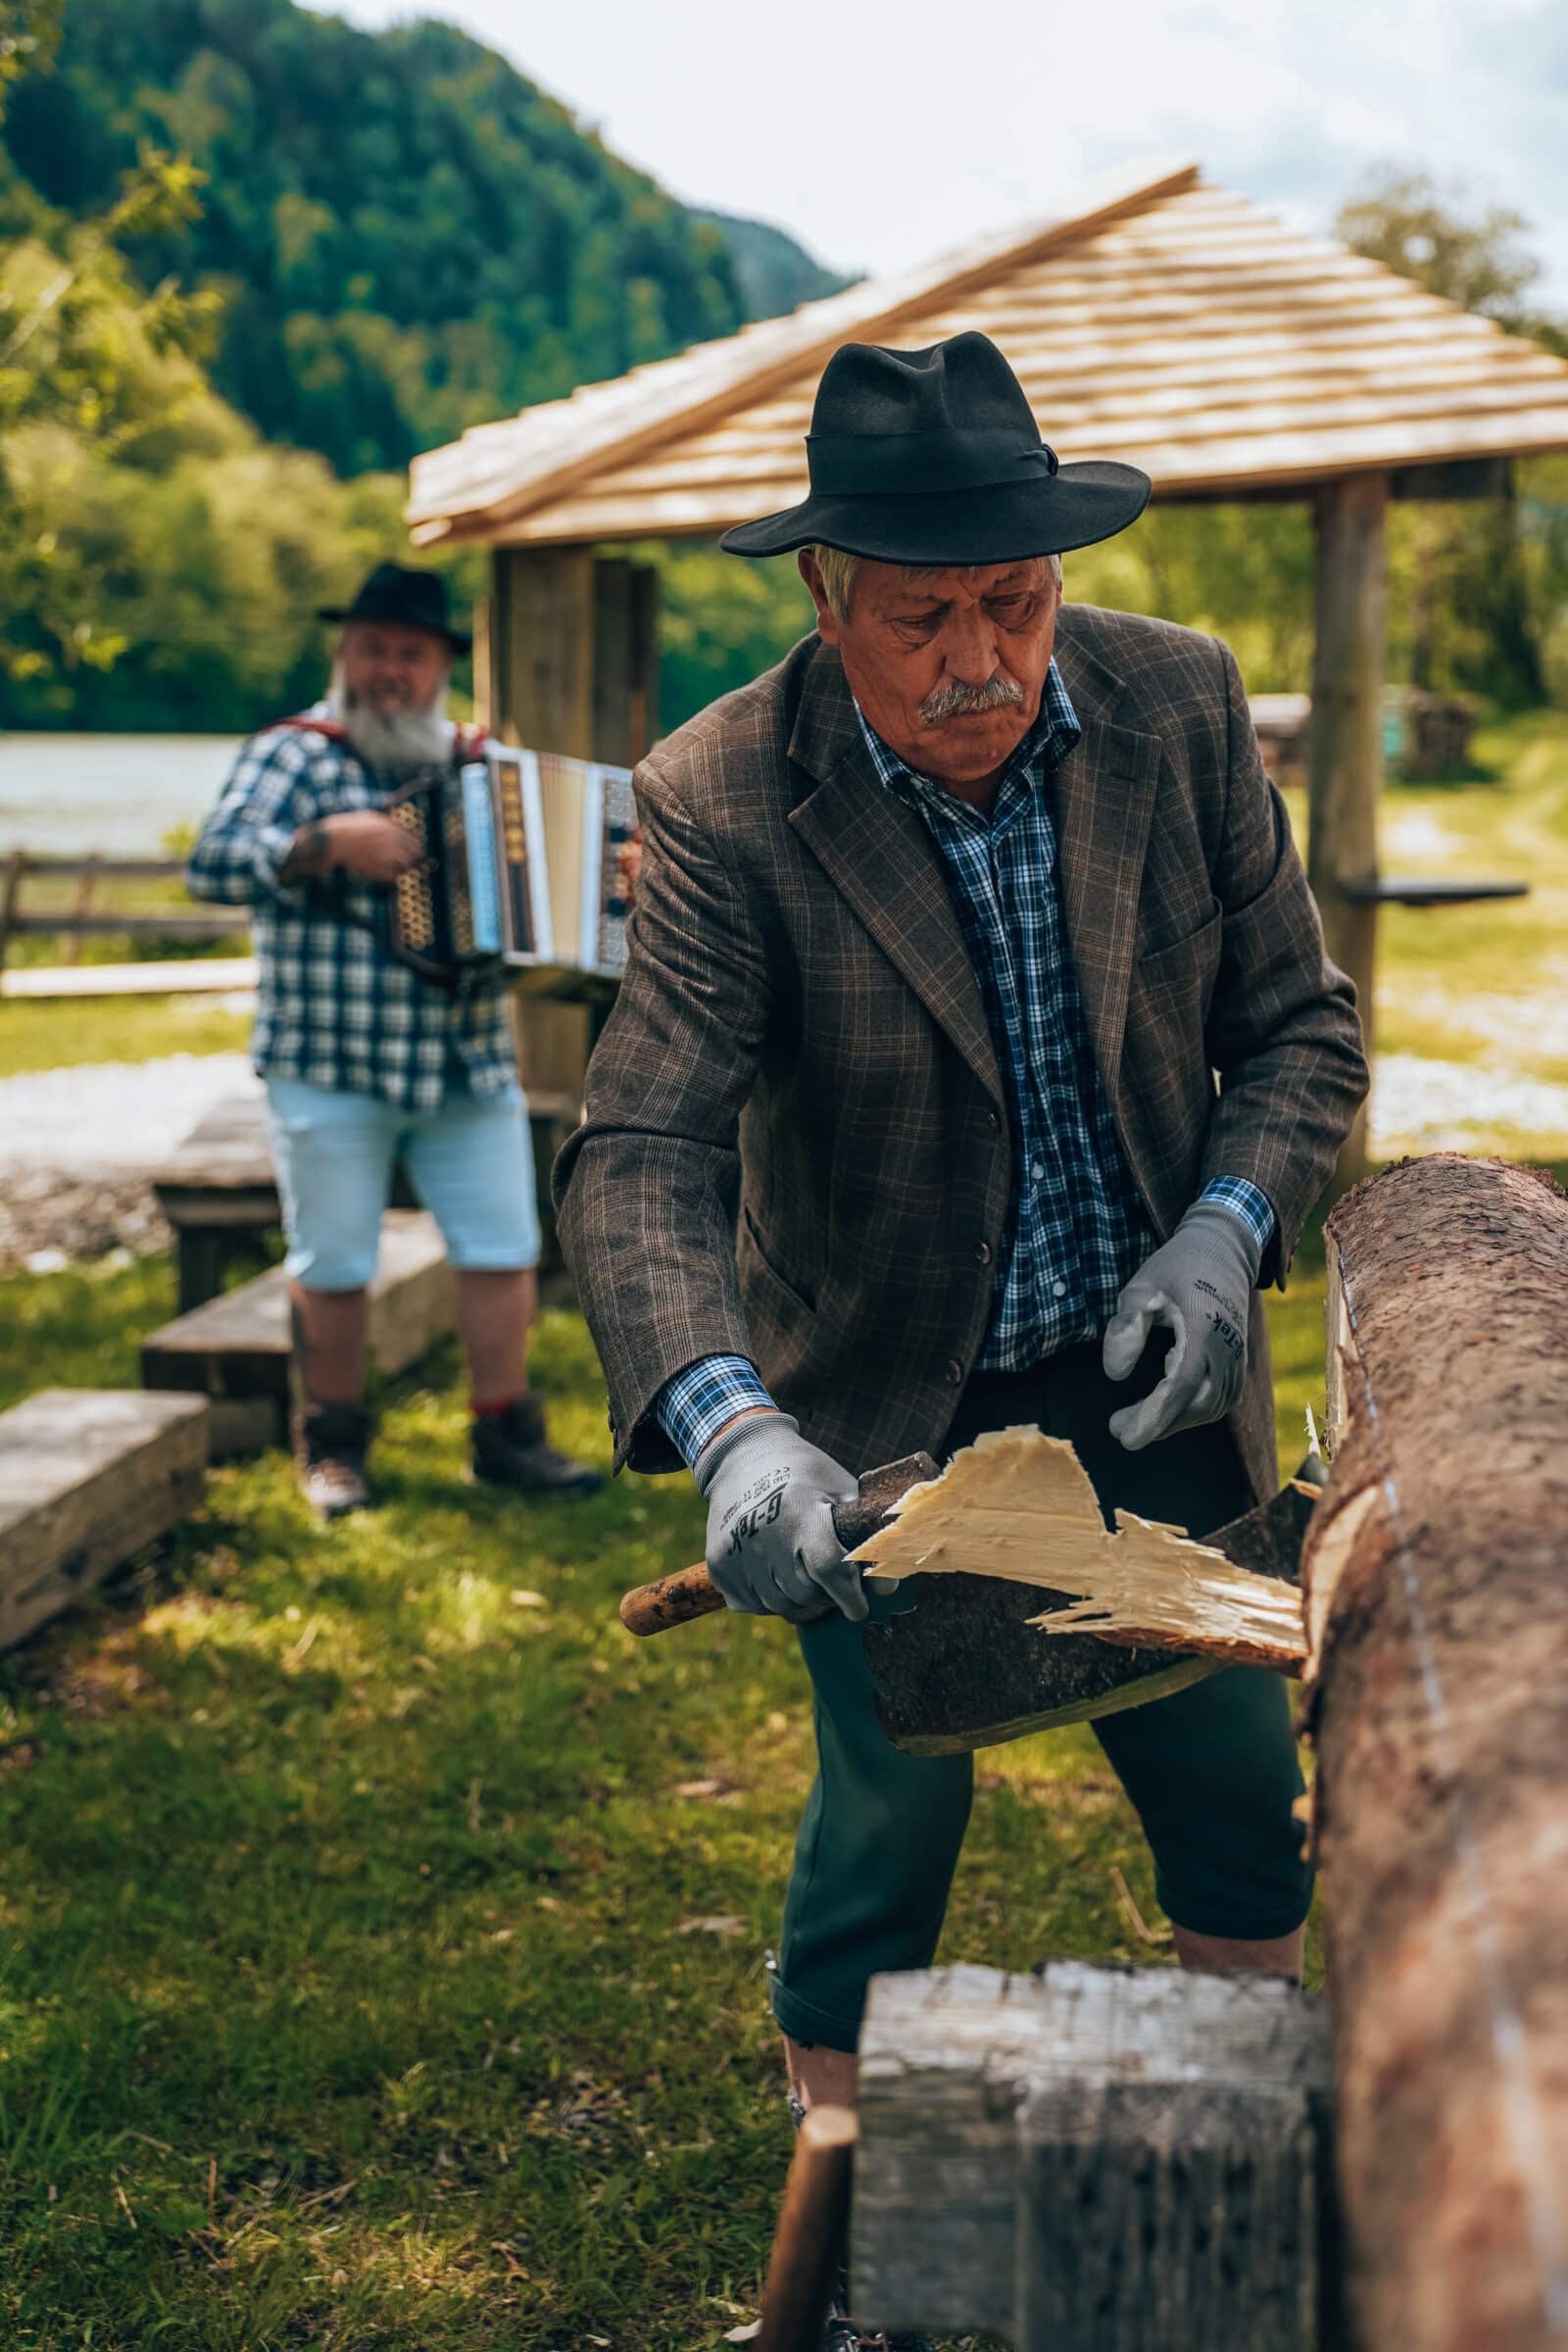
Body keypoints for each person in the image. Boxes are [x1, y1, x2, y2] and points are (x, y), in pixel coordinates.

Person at [556, 332, 1366, 2346]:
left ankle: (1224, 2176)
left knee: (1224, 1770)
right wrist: (727, 1421)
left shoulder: (1176, 707)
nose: (981, 657)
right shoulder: (722, 795)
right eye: (922, 619)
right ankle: (824, 2257)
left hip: (1144, 1369)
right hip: (884, 1406)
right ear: (826, 599)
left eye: (1013, 602)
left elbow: (1296, 1028)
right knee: (886, 1801)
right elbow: (640, 1146)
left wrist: (1223, 1221)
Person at [188, 561, 600, 1516]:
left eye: (409, 655)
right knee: (333, 1260)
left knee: (503, 1245)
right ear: (345, 653)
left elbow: (547, 888)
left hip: (465, 1058)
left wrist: (599, 881)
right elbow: (209, 858)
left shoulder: (479, 760)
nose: (389, 671)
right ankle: (331, 1446)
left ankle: (505, 1435)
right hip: (328, 1061)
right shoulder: (296, 754)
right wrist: (323, 843)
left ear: (439, 666)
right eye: (372, 649)